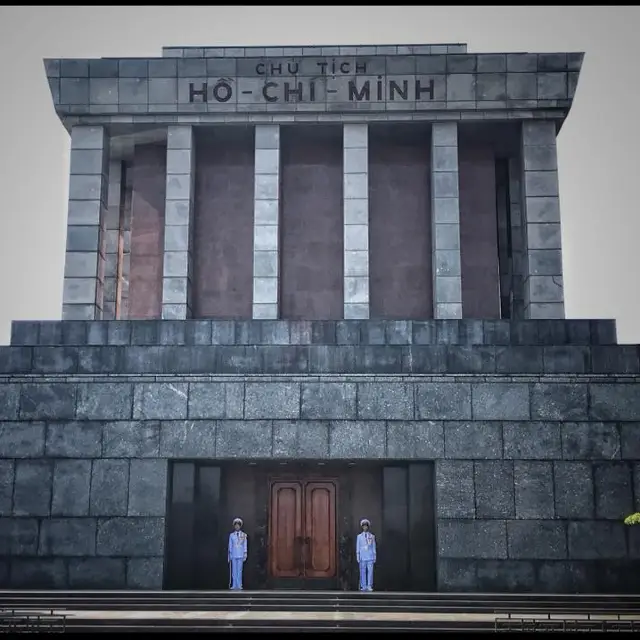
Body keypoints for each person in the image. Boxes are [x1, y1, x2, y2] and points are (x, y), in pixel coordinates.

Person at [356, 518, 376, 592]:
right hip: (362, 556)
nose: (365, 527)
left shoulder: (372, 536)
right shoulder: (359, 536)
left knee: (370, 572)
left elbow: (373, 546)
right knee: (362, 572)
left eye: (366, 526)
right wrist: (358, 555)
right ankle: (363, 586)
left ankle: (369, 585)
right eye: (364, 526)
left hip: (370, 556)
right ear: (362, 527)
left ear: (368, 527)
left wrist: (374, 556)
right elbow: (358, 546)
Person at [228, 517, 248, 590]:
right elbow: (230, 545)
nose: (237, 526)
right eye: (236, 525)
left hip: (240, 554)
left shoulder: (243, 535)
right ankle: (234, 584)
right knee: (234, 570)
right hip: (233, 554)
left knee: (239, 570)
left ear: (240, 526)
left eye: (238, 525)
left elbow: (245, 545)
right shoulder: (231, 535)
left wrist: (245, 553)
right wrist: (230, 554)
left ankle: (239, 584)